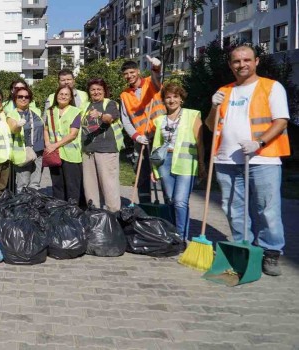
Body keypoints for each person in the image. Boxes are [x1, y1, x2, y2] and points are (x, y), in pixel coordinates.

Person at [206, 44, 290, 276]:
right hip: (226, 160)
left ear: (256, 61)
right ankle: (245, 249)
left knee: (267, 209)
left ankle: (271, 252)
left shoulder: (271, 87)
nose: (241, 65)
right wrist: (214, 107)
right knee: (234, 208)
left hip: (263, 159)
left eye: (246, 60)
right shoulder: (224, 91)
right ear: (230, 64)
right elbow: (211, 126)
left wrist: (259, 143)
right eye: (236, 61)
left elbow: (281, 121)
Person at [150, 83, 204, 243]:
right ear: (164, 100)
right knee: (170, 200)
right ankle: (172, 232)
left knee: (180, 201)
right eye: (168, 97)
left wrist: (202, 165)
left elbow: (200, 143)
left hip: (186, 163)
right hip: (165, 162)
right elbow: (156, 146)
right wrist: (154, 168)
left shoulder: (192, 115)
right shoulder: (159, 120)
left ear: (181, 99)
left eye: (175, 96)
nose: (171, 100)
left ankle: (181, 237)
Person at [119, 55, 164, 203]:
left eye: (132, 72)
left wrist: (156, 67)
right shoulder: (124, 95)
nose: (129, 76)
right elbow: (125, 119)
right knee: (142, 175)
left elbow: (157, 78)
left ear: (138, 71)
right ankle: (145, 207)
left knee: (163, 172)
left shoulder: (151, 83)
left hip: (160, 137)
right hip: (141, 140)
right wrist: (136, 136)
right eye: (126, 74)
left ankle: (168, 207)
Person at [77, 78, 124, 212]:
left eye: (99, 89)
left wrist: (99, 115)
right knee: (90, 189)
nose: (96, 92)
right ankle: (95, 217)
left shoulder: (110, 103)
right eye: (93, 89)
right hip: (88, 152)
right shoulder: (85, 106)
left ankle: (113, 218)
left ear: (104, 91)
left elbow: (109, 118)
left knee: (109, 188)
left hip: (106, 151)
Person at [44, 86, 83, 202]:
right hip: (54, 154)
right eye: (61, 94)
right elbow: (46, 129)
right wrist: (47, 144)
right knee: (57, 185)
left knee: (72, 186)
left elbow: (73, 134)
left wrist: (54, 145)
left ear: (71, 97)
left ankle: (72, 211)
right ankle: (59, 210)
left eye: (66, 94)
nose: (63, 96)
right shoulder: (50, 111)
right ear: (56, 95)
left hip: (71, 155)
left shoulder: (75, 112)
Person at [6, 86, 44, 193]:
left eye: (26, 97)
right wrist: (18, 125)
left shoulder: (34, 112)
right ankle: (22, 206)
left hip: (38, 151)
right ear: (15, 98)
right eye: (20, 96)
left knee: (35, 183)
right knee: (23, 184)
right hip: (24, 153)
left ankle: (33, 206)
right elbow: (13, 129)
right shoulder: (12, 114)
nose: (23, 99)